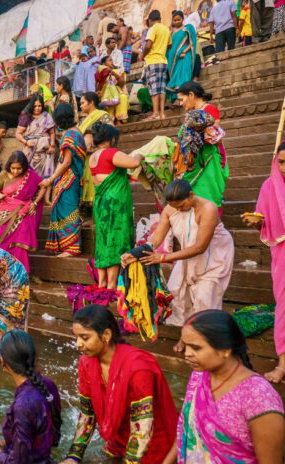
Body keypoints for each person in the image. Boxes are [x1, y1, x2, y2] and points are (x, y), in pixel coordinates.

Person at [142, 310, 285, 464]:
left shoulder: (258, 396)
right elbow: (186, 430)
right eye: (186, 345)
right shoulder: (199, 376)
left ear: (225, 349)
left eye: (196, 347)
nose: (186, 353)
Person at [55, 305, 178, 464]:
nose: (78, 344)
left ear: (106, 335)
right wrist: (73, 457)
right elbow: (87, 414)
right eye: (76, 337)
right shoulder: (86, 363)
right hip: (118, 442)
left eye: (85, 338)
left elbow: (142, 430)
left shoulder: (138, 368)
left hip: (153, 447)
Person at [124, 179, 234, 326]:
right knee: (177, 293)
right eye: (174, 207)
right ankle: (186, 335)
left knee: (205, 298)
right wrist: (137, 253)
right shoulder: (170, 209)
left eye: (182, 206)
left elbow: (200, 247)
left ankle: (206, 338)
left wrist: (163, 258)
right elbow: (156, 238)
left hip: (215, 254)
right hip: (187, 254)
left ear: (191, 195)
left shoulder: (208, 208)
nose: (179, 210)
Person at [0, 331, 61, 464]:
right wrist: (4, 443)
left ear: (3, 361)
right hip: (46, 463)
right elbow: (51, 433)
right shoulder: (48, 385)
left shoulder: (23, 404)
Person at [243, 142, 285, 382]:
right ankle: (282, 363)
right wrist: (256, 222)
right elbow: (263, 218)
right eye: (280, 162)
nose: (284, 167)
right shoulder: (269, 186)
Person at [88, 123, 142, 289]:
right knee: (115, 241)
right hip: (114, 205)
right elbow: (133, 163)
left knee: (103, 242)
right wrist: (140, 155)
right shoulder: (110, 152)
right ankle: (111, 286)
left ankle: (102, 282)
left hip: (101, 203)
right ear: (111, 139)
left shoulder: (93, 156)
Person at [41, 103, 87, 257]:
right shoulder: (77, 132)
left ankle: (72, 248)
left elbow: (66, 162)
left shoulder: (69, 136)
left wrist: (51, 179)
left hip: (69, 179)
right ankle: (67, 246)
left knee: (69, 211)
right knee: (67, 210)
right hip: (74, 178)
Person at [175, 83, 229, 208]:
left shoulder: (209, 110)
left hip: (207, 160)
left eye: (181, 99)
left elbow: (217, 138)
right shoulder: (192, 114)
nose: (181, 104)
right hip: (193, 161)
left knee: (207, 196)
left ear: (191, 95)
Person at [0, 151, 46, 273]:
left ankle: (19, 273)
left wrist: (35, 203)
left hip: (23, 214)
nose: (16, 171)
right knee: (1, 240)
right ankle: (2, 271)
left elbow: (43, 186)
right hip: (6, 212)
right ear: (9, 166)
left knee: (19, 244)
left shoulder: (29, 175)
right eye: (13, 168)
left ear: (24, 167)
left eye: (19, 168)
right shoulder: (3, 175)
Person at [78, 92, 113, 206]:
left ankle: (95, 220)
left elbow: (110, 132)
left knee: (97, 188)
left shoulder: (103, 115)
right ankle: (92, 218)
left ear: (91, 102)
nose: (81, 106)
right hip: (86, 157)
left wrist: (97, 147)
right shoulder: (84, 120)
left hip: (97, 155)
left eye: (83, 103)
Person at [15, 94, 56, 179]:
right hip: (30, 150)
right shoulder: (26, 117)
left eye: (39, 106)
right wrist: (26, 142)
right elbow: (18, 134)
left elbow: (52, 132)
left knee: (43, 178)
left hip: (45, 152)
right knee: (29, 175)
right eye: (35, 106)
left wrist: (52, 145)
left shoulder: (46, 116)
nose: (37, 108)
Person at [143, 10, 171, 121]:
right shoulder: (166, 29)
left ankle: (155, 113)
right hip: (163, 61)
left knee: (154, 88)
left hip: (153, 60)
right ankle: (162, 113)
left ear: (150, 20)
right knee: (161, 87)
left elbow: (148, 45)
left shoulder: (152, 28)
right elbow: (169, 45)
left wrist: (143, 54)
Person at [166, 10, 198, 105]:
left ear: (183, 19)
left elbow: (192, 42)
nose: (176, 22)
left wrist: (184, 51)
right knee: (175, 78)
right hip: (174, 61)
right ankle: (177, 98)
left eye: (178, 19)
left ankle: (181, 99)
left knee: (183, 77)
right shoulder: (171, 33)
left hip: (185, 57)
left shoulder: (188, 28)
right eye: (174, 20)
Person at [96, 55, 129, 125]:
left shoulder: (117, 71)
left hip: (118, 91)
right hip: (105, 93)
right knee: (107, 99)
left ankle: (119, 120)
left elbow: (122, 84)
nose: (112, 62)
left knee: (122, 97)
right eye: (110, 60)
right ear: (104, 63)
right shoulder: (100, 72)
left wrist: (114, 74)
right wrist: (104, 76)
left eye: (112, 60)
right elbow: (98, 88)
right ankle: (110, 121)